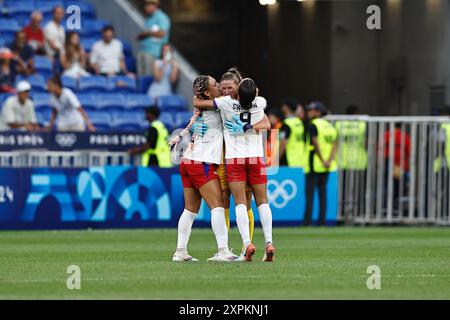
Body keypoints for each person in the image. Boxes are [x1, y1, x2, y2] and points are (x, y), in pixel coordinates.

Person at [194, 78, 275, 262]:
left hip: (234, 159)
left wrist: (197, 94)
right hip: (256, 158)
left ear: (237, 90)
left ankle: (247, 244)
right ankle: (269, 242)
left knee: (239, 203)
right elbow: (267, 124)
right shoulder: (259, 103)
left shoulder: (225, 103)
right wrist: (248, 126)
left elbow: (198, 102)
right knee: (262, 202)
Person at [171, 75, 236, 262]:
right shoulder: (220, 104)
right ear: (207, 92)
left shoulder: (202, 104)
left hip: (188, 161)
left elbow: (196, 100)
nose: (220, 87)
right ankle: (223, 250)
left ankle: (180, 251)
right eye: (216, 85)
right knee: (218, 206)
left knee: (190, 210)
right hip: (201, 162)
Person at [304, 101, 338, 226]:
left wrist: (322, 159)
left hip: (315, 163)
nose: (308, 112)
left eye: (311, 110)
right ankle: (322, 221)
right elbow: (335, 144)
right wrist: (329, 160)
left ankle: (307, 221)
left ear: (318, 112)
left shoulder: (313, 125)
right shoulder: (330, 126)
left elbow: (314, 142)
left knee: (310, 193)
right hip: (327, 165)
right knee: (322, 193)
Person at [335, 105, 368, 220]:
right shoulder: (362, 124)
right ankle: (359, 214)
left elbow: (335, 142)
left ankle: (342, 214)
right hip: (359, 161)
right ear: (356, 113)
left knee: (342, 191)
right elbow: (368, 142)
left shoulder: (339, 124)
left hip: (342, 161)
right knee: (359, 191)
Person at [136, 0, 171, 77]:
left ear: (155, 5)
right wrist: (141, 36)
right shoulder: (148, 18)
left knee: (149, 78)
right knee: (141, 79)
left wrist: (146, 33)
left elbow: (162, 33)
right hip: (143, 51)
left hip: (154, 53)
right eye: (145, 5)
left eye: (149, 4)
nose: (146, 7)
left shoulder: (161, 17)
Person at [280, 98, 306, 167]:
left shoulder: (287, 123)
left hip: (288, 160)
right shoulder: (299, 122)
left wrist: (277, 158)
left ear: (286, 108)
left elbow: (283, 142)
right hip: (300, 159)